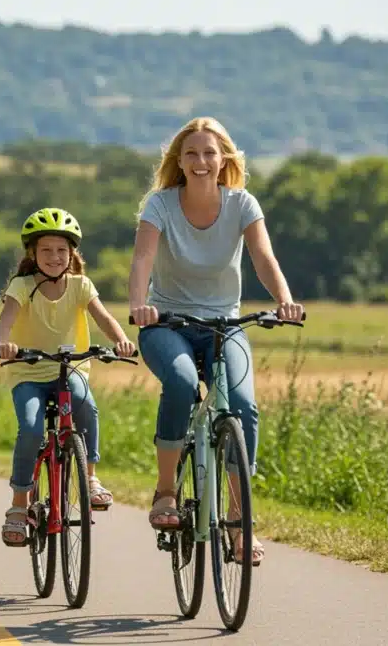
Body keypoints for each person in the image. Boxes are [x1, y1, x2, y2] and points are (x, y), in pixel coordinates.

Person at [126, 116, 304, 565]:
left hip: (225, 325)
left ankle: (240, 522)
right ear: (179, 160)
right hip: (166, 323)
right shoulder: (160, 205)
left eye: (209, 153)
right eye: (192, 153)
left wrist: (284, 300)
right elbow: (143, 258)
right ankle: (166, 492)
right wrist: (139, 305)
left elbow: (263, 256)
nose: (201, 161)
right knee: (182, 382)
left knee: (242, 404)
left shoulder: (242, 204)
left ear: (224, 158)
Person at [0, 207, 137, 547]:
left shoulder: (81, 285)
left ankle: (91, 478)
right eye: (46, 250)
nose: (54, 257)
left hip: (70, 368)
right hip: (28, 372)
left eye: (61, 250)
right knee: (31, 428)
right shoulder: (22, 286)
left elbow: (104, 318)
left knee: (84, 402)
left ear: (72, 253)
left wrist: (121, 341)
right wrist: (3, 344)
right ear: (33, 253)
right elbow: (4, 322)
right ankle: (18, 506)